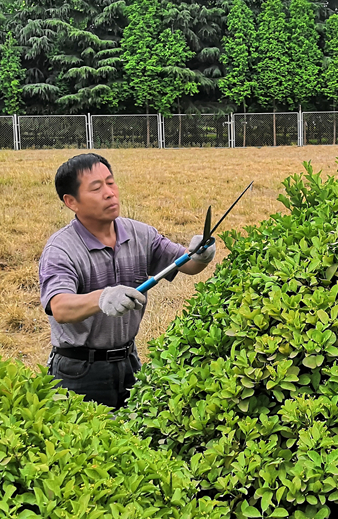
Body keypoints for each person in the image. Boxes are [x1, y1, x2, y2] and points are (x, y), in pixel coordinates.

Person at [38, 153, 215, 408]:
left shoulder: (140, 233)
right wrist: (102, 298)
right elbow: (60, 307)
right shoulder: (61, 249)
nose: (109, 193)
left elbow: (187, 264)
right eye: (96, 188)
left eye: (111, 183)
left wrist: (202, 255)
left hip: (129, 362)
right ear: (71, 201)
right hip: (78, 371)